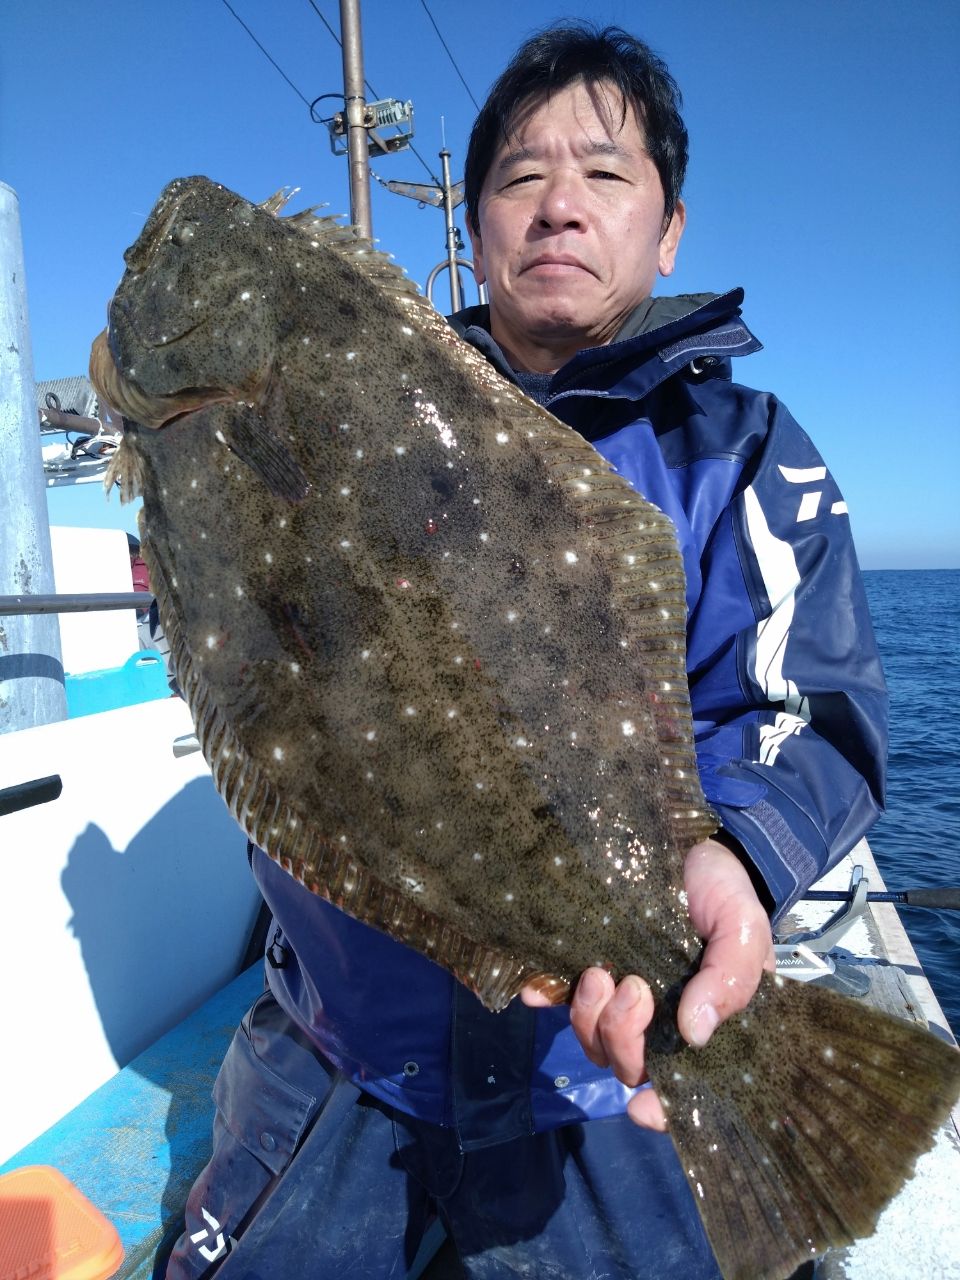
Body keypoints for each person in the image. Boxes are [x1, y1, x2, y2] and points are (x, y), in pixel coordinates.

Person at [167, 24, 886, 1280]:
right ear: (476, 218)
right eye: (517, 176)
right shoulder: (353, 399)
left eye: (605, 174)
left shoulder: (740, 446)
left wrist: (737, 862)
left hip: (600, 1079)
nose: (559, 205)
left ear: (668, 231)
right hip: (343, 1049)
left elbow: (803, 705)